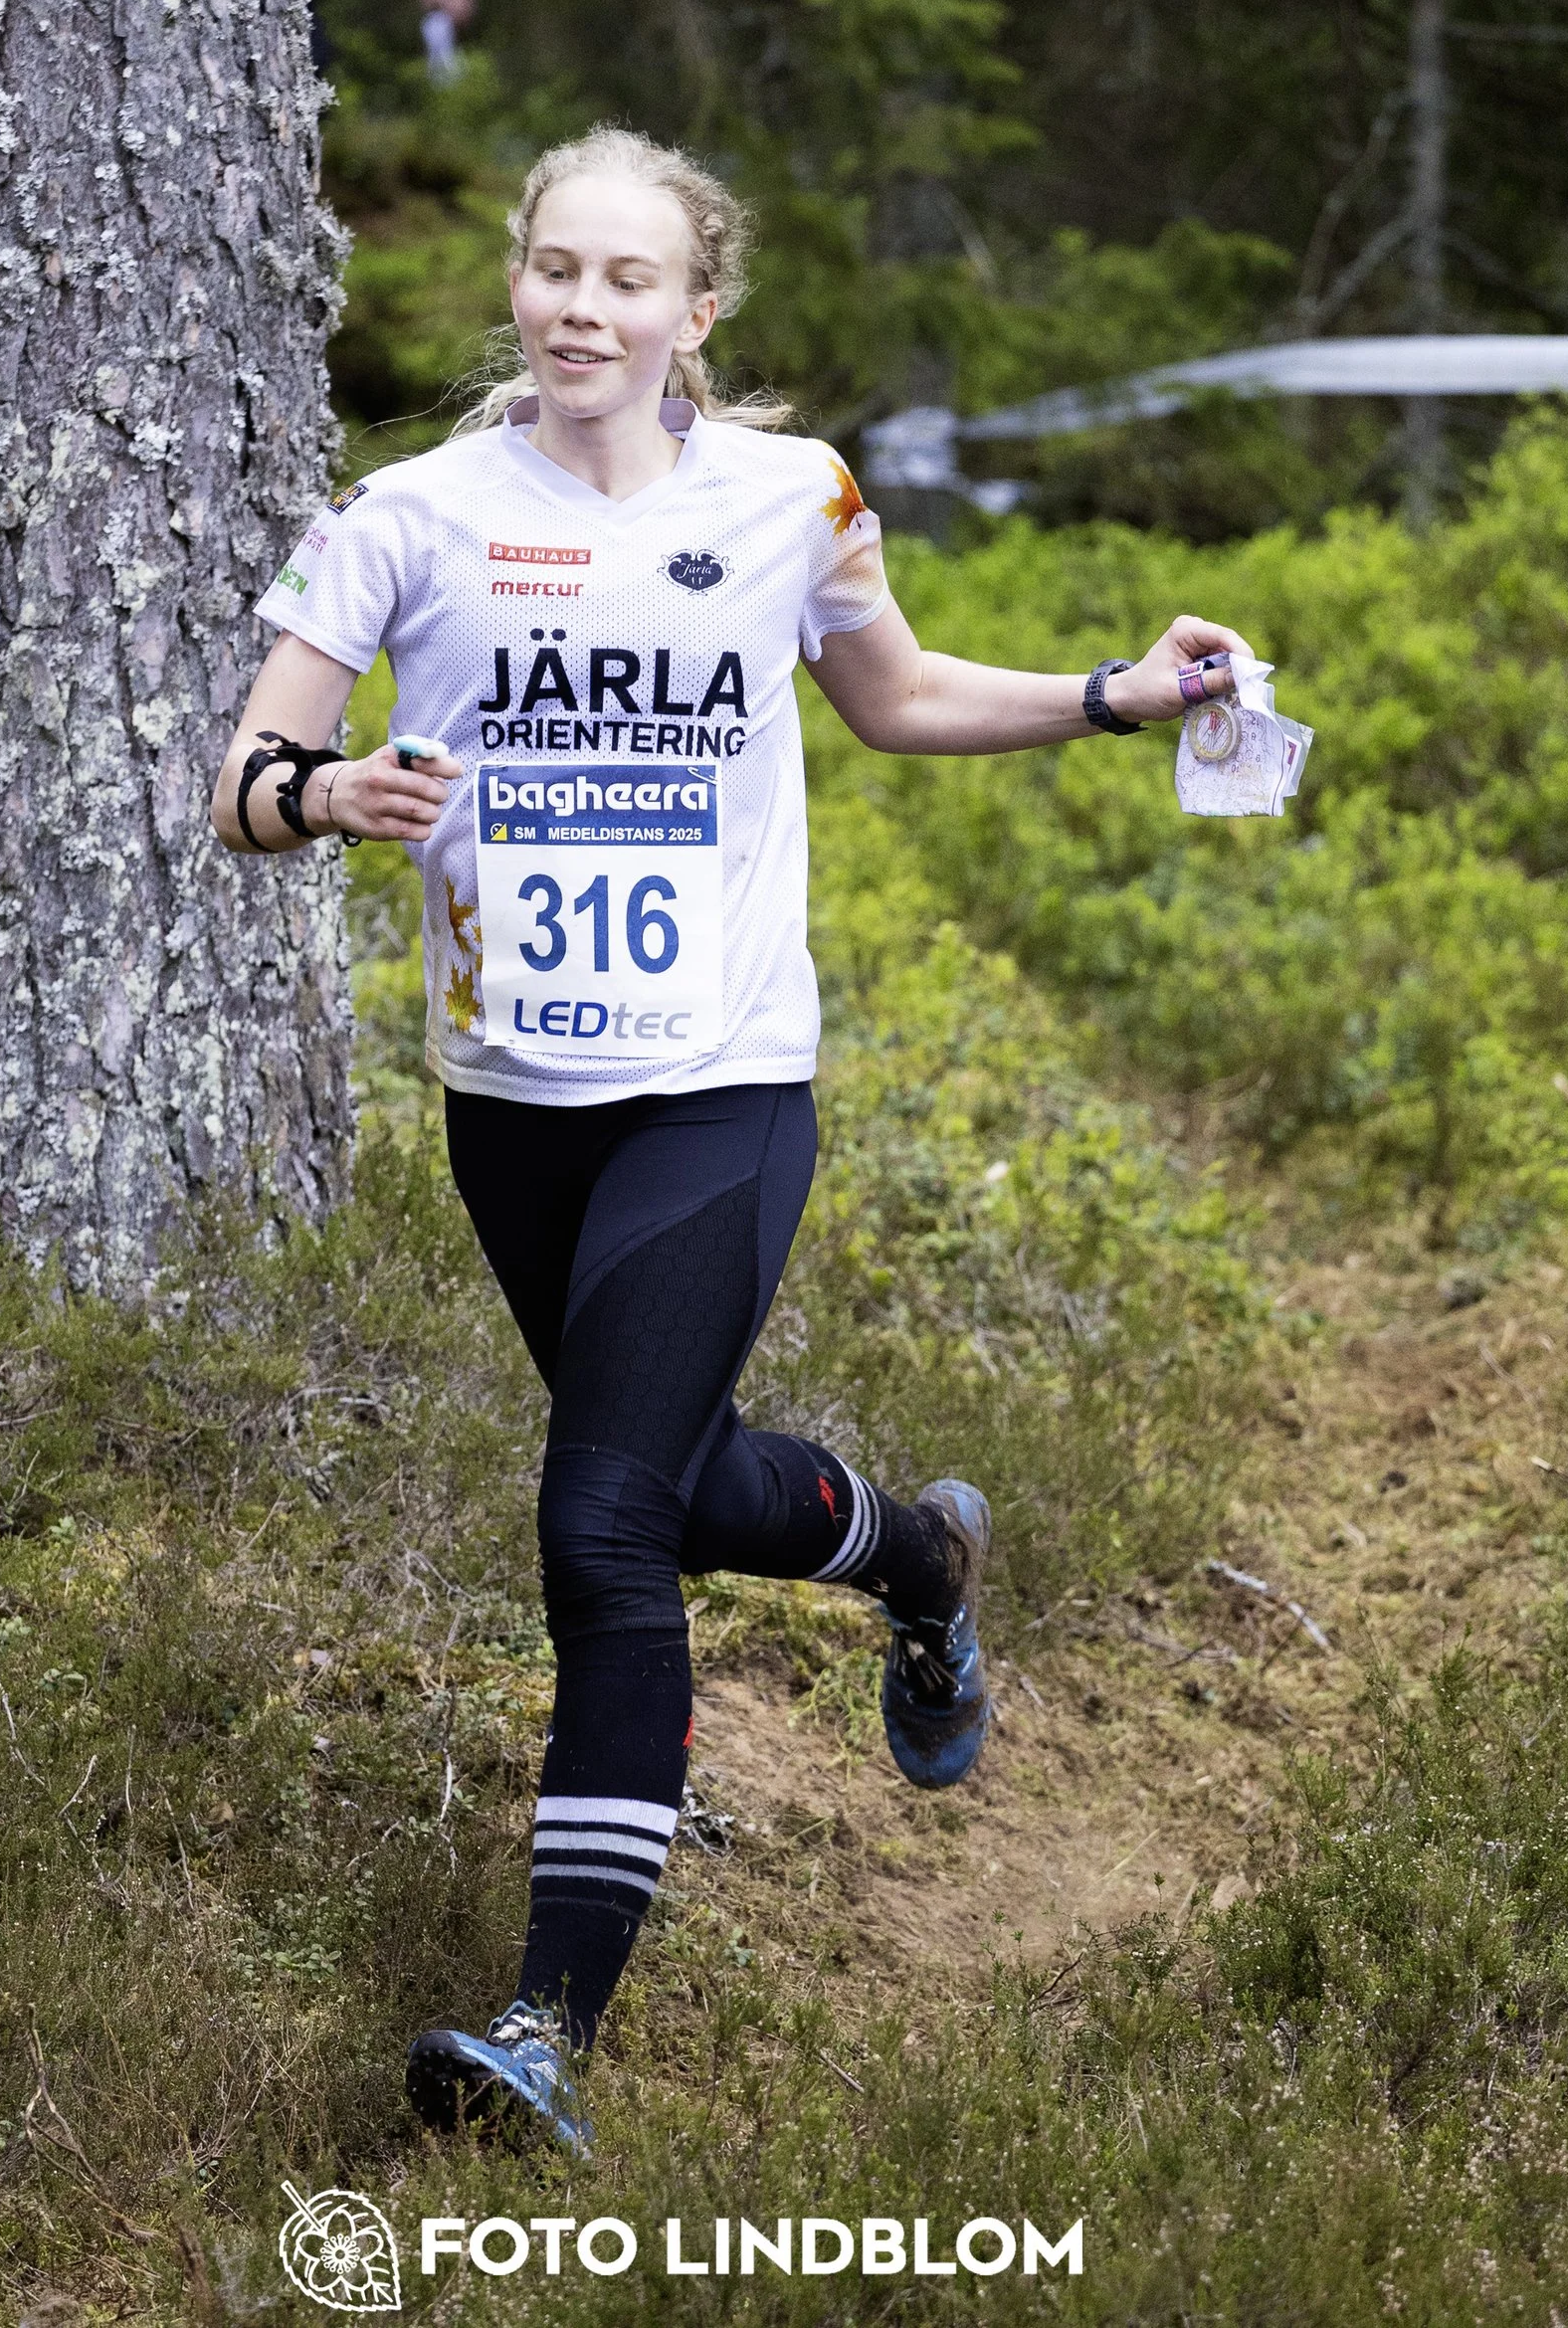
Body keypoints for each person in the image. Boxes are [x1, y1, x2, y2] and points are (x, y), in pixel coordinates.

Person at [211, 125, 1250, 2151]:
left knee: (597, 1529)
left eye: (622, 278)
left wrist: (1113, 695)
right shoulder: (402, 514)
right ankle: (917, 1551)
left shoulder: (797, 495)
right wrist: (331, 798)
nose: (577, 308)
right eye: (548, 270)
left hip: (719, 1085)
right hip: (512, 1105)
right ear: (513, 286)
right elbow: (236, 775)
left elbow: (899, 694)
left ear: (699, 308)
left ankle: (542, 2026)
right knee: (672, 1490)